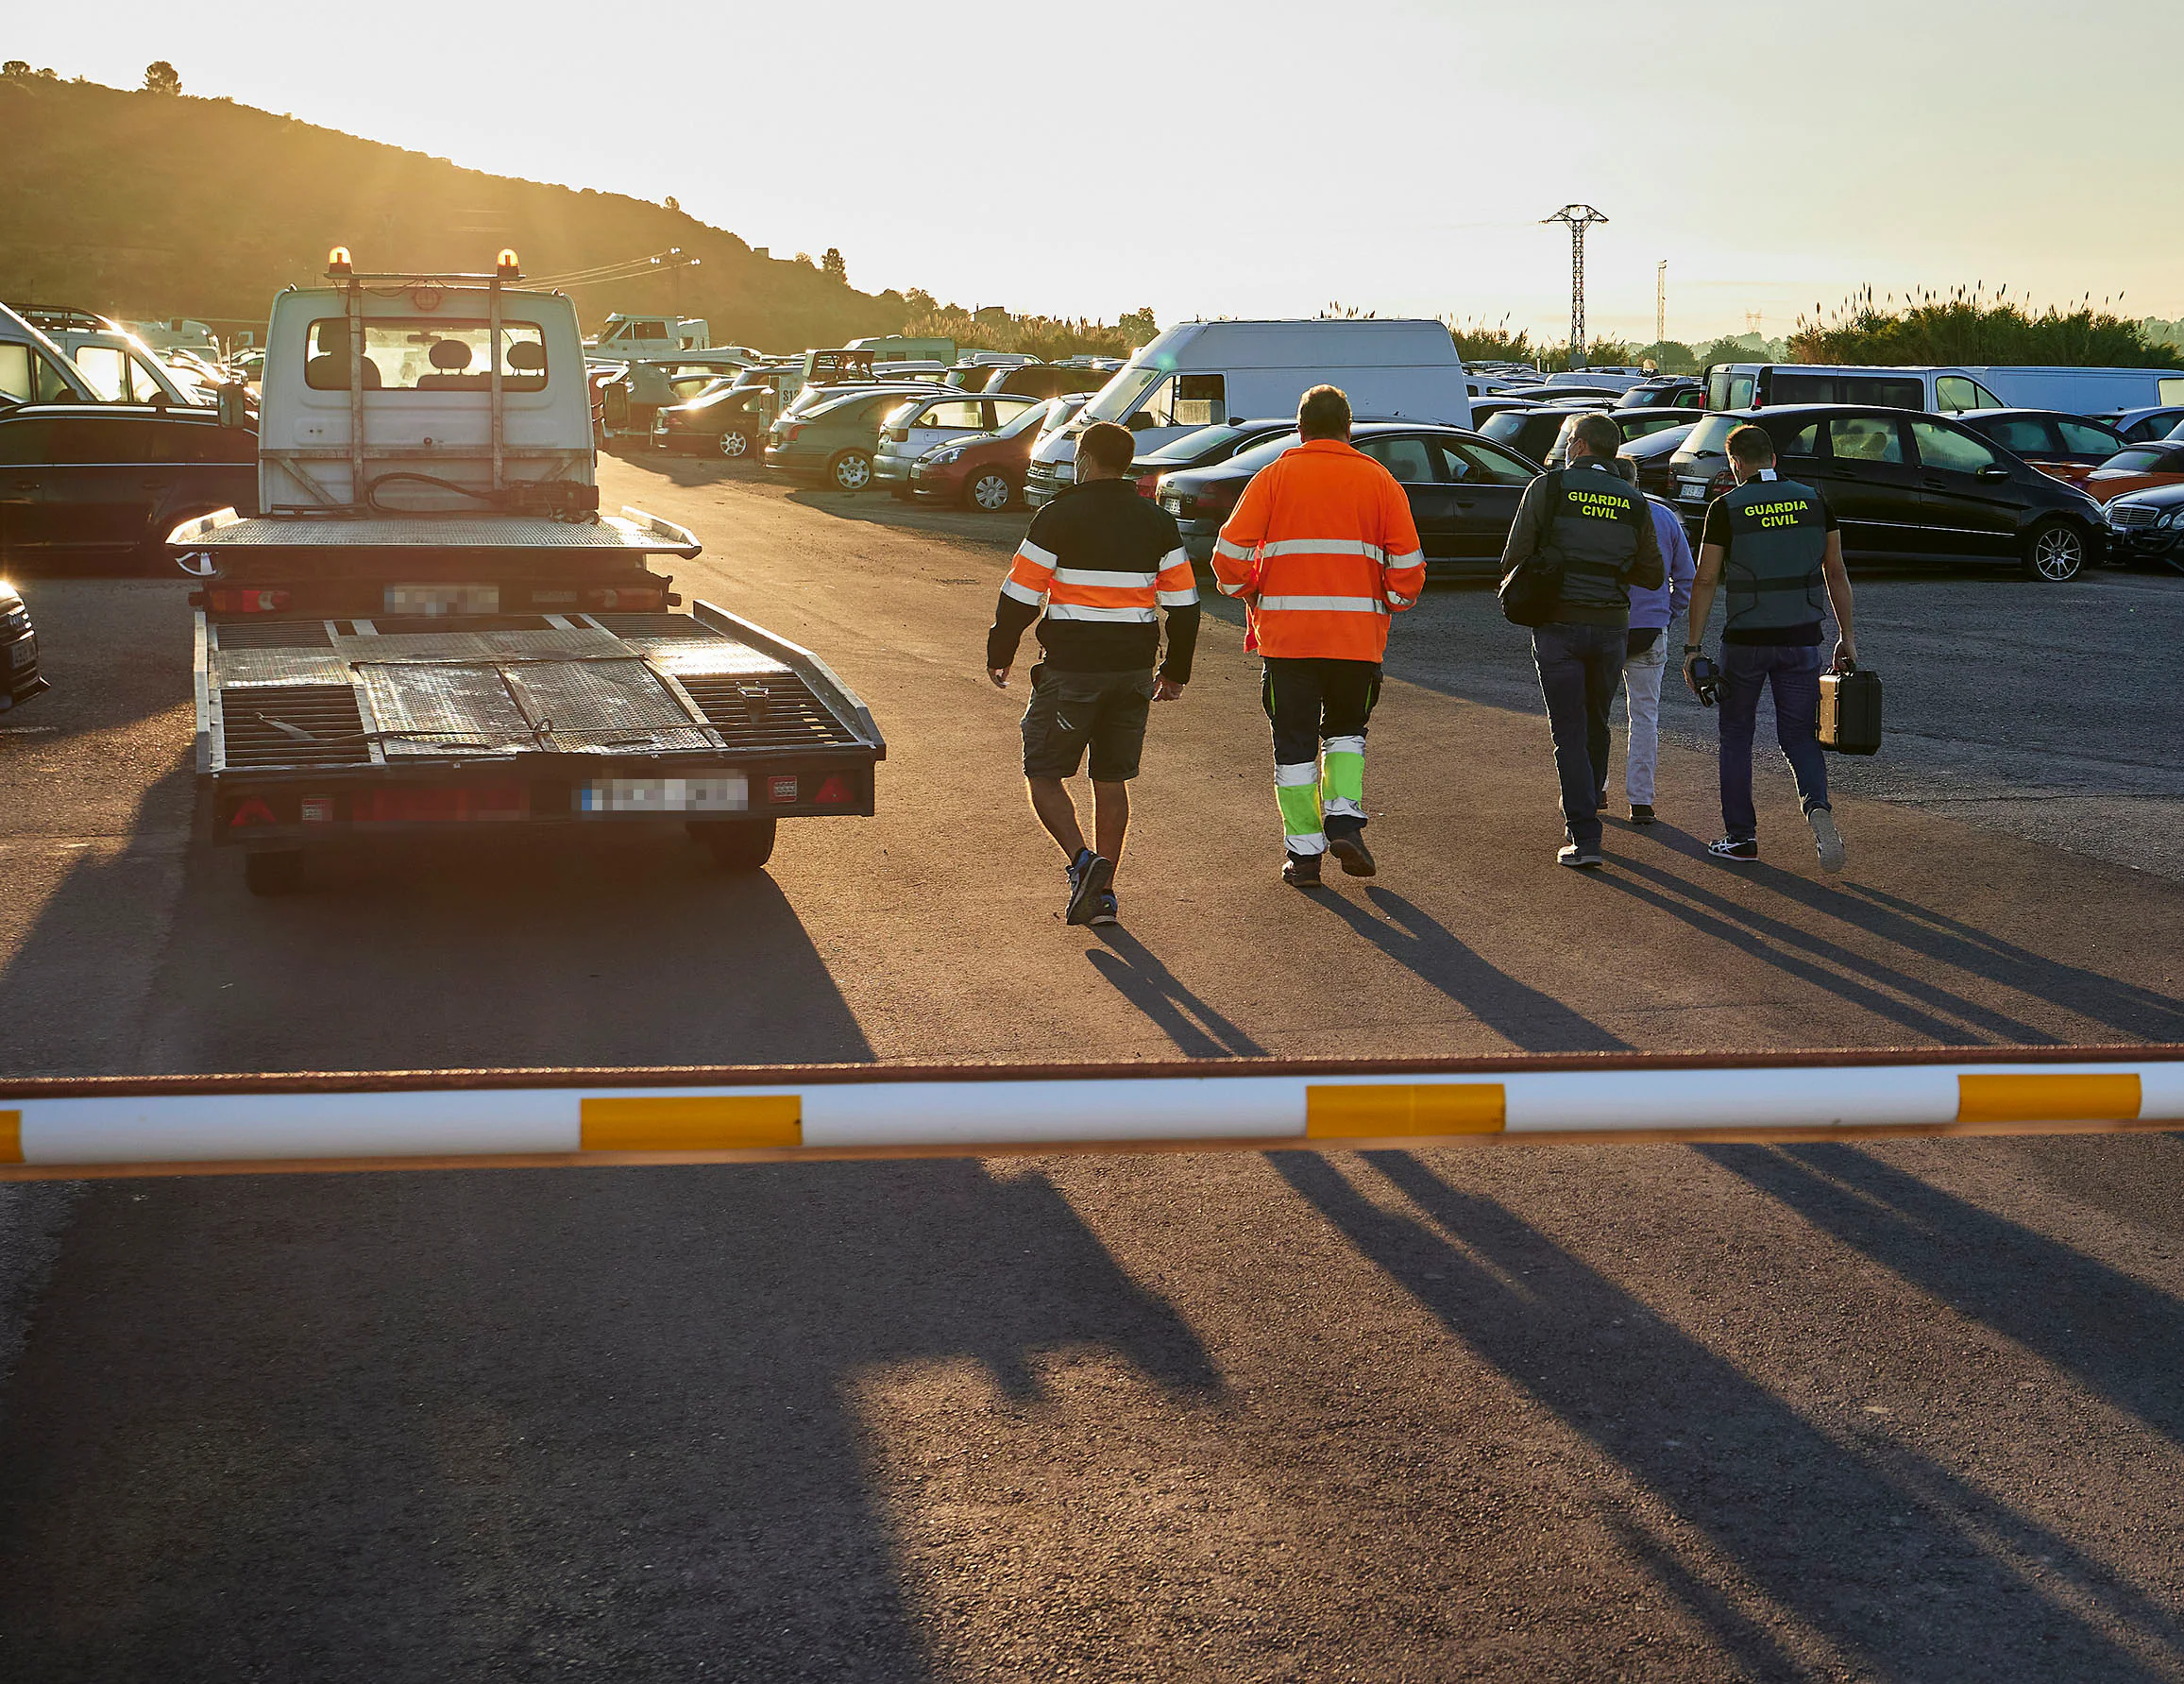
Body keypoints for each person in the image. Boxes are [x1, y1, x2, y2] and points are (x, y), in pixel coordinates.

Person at [1211, 384, 1425, 887]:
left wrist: (1249, 591)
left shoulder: (1273, 477)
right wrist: (1387, 603)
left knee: (1294, 745)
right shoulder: (1381, 481)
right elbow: (1409, 570)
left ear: (1300, 429)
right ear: (1349, 430)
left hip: (1287, 641)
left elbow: (1228, 555)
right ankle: (1345, 820)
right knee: (1347, 733)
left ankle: (1304, 856)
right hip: (1355, 639)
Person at [988, 419, 1199, 926]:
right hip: (1131, 671)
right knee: (1111, 779)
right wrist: (1175, 671)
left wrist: (1002, 650)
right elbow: (1185, 606)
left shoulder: (1057, 515)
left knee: (1042, 772)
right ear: (1126, 464)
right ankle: (1104, 895)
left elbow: (1021, 593)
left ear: (1084, 459)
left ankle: (1084, 864)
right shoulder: (1156, 523)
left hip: (1072, 670)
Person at [1682, 422, 1855, 873]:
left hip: (1746, 642)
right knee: (1798, 735)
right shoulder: (1816, 502)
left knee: (1736, 735)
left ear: (1735, 462)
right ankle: (1818, 809)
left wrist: (1693, 647)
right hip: (1802, 639)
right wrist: (1847, 637)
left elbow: (1705, 579)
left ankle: (1741, 838)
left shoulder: (1726, 507)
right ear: (1774, 458)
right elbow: (1835, 573)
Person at [1498, 412, 1665, 867]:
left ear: (1584, 445)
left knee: (1567, 730)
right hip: (1613, 626)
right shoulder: (1633, 499)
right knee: (1596, 722)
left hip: (1558, 624)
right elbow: (1653, 573)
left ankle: (1584, 835)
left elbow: (1514, 556)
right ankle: (1586, 804)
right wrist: (1608, 569)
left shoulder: (1548, 487)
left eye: (1571, 439)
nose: (1567, 447)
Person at [1617, 455, 1696, 825]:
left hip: (1600, 624)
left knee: (1592, 711)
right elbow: (1687, 578)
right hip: (1649, 628)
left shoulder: (1595, 516)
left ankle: (1593, 788)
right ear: (1636, 480)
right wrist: (1668, 613)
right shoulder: (1662, 516)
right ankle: (1641, 800)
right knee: (1644, 714)